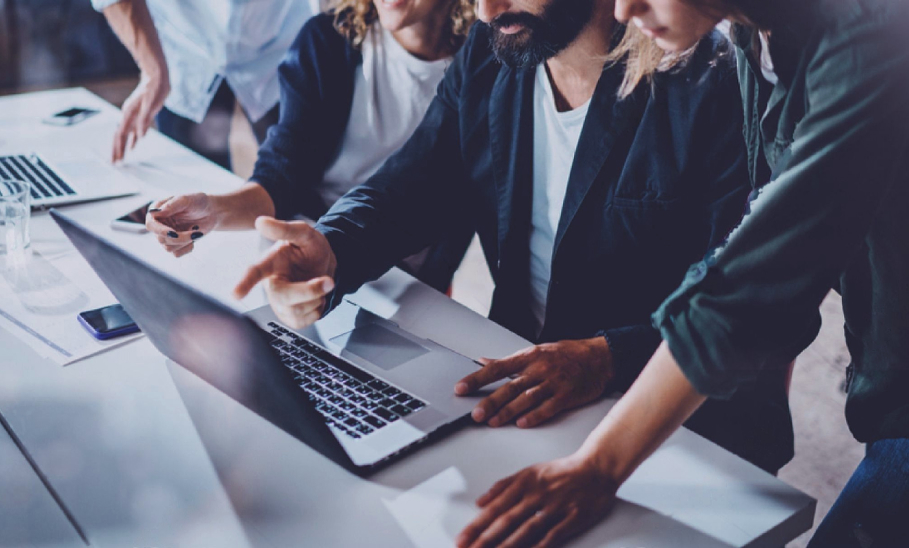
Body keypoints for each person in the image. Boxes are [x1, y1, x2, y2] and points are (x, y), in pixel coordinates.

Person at [214, 0, 795, 479]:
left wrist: (606, 357)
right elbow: (412, 183)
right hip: (518, 389)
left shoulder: (714, 81)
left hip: (672, 425)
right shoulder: (498, 52)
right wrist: (330, 247)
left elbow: (752, 301)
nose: (488, 10)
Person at [456, 0, 909, 546]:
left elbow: (756, 282)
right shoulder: (754, 37)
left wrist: (599, 465)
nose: (624, 9)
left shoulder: (870, 36)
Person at [143, 0, 477, 291]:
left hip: (406, 281)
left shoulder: (484, 72)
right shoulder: (327, 41)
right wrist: (213, 211)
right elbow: (280, 179)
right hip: (304, 258)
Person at [91, 0, 317, 169]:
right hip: (186, 51)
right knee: (190, 194)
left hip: (281, 41)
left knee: (300, 176)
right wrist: (153, 69)